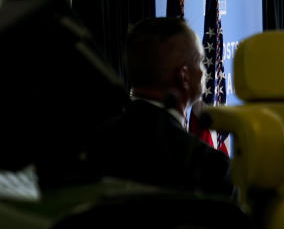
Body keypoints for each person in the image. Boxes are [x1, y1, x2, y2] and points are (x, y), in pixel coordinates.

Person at [85, 17, 230, 195]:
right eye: (199, 61)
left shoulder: (92, 145)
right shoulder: (208, 166)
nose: (203, 71)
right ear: (183, 76)